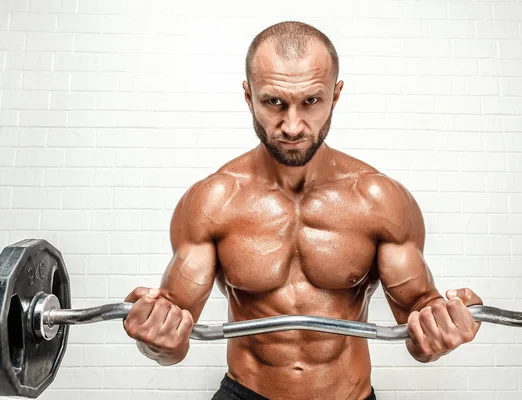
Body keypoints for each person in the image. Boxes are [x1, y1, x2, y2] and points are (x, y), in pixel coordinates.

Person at [123, 21, 483, 400]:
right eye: (273, 102)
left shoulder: (379, 200)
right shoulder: (214, 201)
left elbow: (418, 329)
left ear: (336, 94)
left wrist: (441, 330)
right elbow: (172, 340)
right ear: (248, 96)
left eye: (311, 101)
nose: (292, 126)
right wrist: (155, 338)